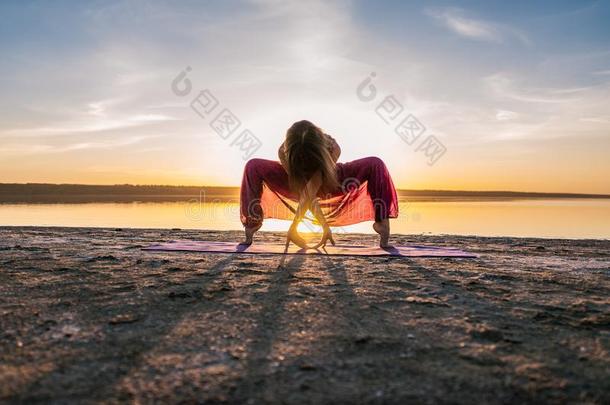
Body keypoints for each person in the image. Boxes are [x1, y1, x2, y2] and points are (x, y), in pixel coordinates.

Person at [240, 120, 399, 248]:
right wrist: (301, 228)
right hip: (294, 181)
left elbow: (312, 190)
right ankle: (252, 223)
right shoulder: (284, 150)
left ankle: (383, 224)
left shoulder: (332, 147)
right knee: (253, 165)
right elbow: (305, 190)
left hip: (332, 180)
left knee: (375, 164)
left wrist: (313, 227)